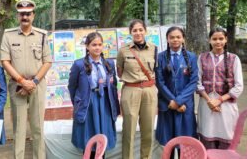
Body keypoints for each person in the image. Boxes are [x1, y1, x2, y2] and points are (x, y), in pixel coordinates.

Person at [1, 0, 52, 159]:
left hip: (37, 85)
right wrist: (22, 82)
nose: (25, 17)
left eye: (28, 14)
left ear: (33, 15)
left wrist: (34, 82)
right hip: (17, 86)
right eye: (22, 14)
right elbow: (5, 62)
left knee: (37, 128)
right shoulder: (8, 35)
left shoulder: (42, 36)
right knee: (19, 128)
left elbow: (47, 61)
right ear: (18, 16)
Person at [68, 32, 120, 158]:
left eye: (100, 44)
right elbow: (72, 87)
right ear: (87, 46)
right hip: (89, 104)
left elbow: (113, 85)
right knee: (89, 136)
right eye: (93, 45)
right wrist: (79, 102)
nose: (97, 47)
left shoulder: (109, 63)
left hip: (105, 103)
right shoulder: (79, 64)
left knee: (103, 135)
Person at [116, 19, 158, 159]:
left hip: (149, 90)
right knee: (129, 130)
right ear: (130, 33)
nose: (138, 33)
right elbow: (119, 71)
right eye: (135, 30)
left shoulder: (153, 48)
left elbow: (155, 70)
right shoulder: (123, 50)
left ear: (145, 31)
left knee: (148, 129)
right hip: (130, 90)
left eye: (141, 30)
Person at [155, 27, 198, 158]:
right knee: (168, 144)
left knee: (183, 142)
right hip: (167, 104)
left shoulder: (191, 57)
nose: (175, 40)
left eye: (178, 37)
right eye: (172, 37)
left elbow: (193, 81)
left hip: (184, 106)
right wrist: (172, 101)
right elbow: (160, 82)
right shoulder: (160, 57)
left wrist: (178, 101)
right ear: (167, 39)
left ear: (183, 39)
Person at [197, 27, 244, 149]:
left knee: (226, 136)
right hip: (206, 104)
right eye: (214, 39)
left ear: (226, 40)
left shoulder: (234, 59)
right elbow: (197, 82)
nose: (218, 42)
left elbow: (238, 86)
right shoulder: (202, 57)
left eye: (221, 38)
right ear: (209, 40)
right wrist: (210, 101)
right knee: (207, 138)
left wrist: (219, 100)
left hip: (226, 105)